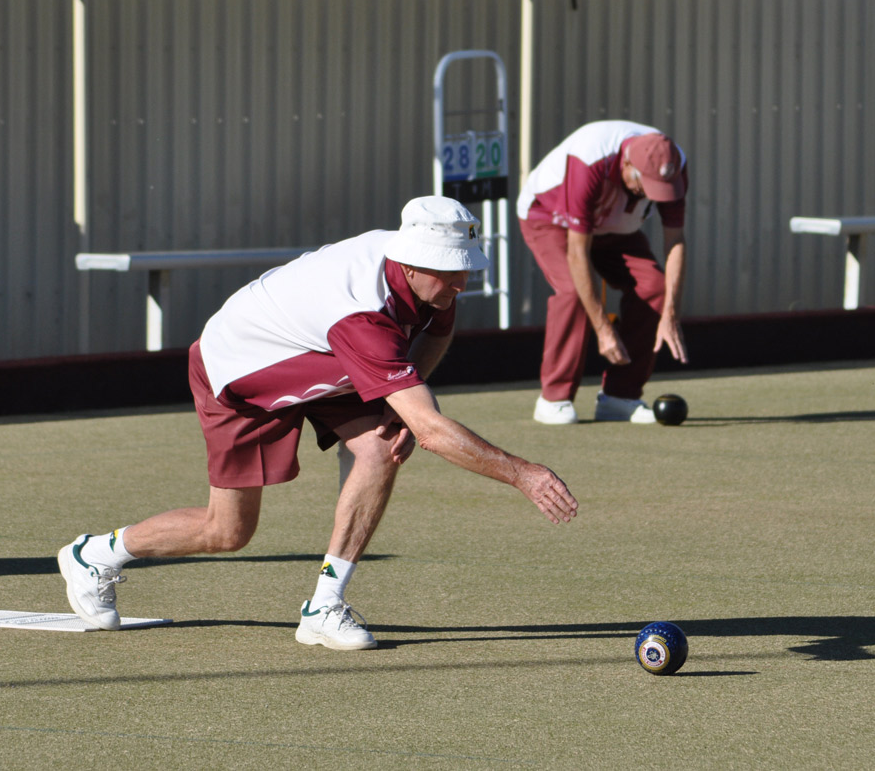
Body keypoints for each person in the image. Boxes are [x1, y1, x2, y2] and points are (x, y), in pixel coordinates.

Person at [58, 196, 579, 649]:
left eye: (465, 266)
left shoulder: (426, 278)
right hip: (243, 370)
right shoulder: (363, 314)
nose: (461, 281)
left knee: (377, 447)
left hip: (324, 354)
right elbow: (431, 431)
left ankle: (324, 607)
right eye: (449, 270)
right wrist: (522, 473)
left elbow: (436, 335)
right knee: (228, 532)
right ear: (410, 262)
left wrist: (404, 399)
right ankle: (96, 555)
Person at [517, 120, 691, 425]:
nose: (650, 194)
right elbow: (577, 251)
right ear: (626, 164)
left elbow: (675, 240)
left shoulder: (674, 164)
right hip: (550, 218)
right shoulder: (590, 158)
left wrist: (671, 313)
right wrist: (602, 328)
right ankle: (553, 400)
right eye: (645, 185)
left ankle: (620, 397)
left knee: (655, 288)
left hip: (615, 228)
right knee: (573, 293)